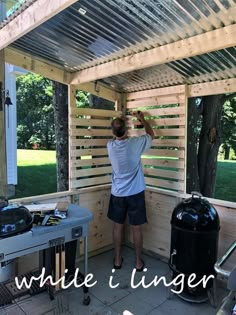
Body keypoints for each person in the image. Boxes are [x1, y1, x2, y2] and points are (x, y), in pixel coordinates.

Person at [107, 111, 155, 271]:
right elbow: (151, 134)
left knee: (117, 227)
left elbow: (118, 134)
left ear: (113, 132)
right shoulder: (135, 143)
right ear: (127, 130)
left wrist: (120, 121)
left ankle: (118, 260)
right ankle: (138, 262)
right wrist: (142, 119)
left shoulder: (110, 146)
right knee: (137, 228)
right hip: (135, 193)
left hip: (117, 194)